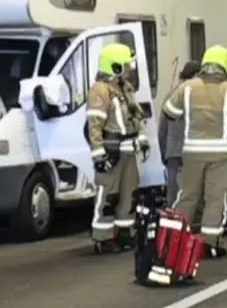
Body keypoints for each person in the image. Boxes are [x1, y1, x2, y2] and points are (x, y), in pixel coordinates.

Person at [163, 46, 227, 256]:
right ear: (226, 65)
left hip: (192, 152)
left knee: (187, 197)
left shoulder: (187, 87)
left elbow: (170, 113)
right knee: (215, 199)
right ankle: (209, 243)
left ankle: (174, 241)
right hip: (222, 155)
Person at [86, 43, 147, 251]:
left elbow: (137, 115)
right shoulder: (100, 90)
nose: (130, 68)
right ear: (115, 65)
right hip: (112, 150)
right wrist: (99, 155)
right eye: (126, 64)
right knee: (108, 195)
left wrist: (142, 138)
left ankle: (123, 233)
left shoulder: (125, 88)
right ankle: (102, 238)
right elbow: (94, 124)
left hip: (129, 149)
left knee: (129, 194)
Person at [159, 60, 202, 193]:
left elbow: (162, 128)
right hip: (191, 152)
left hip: (172, 152)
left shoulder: (170, 95)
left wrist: (163, 152)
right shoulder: (196, 95)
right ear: (195, 75)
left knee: (173, 191)